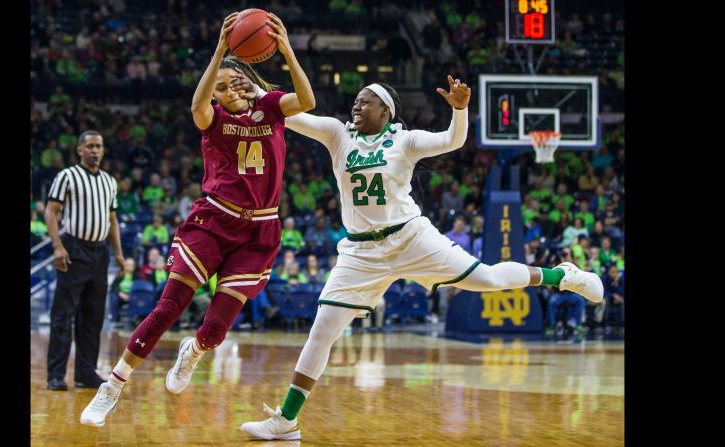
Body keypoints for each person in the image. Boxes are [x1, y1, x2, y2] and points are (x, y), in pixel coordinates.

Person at [234, 74, 604, 440]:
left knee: (488, 280)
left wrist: (460, 110)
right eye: (356, 101)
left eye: (366, 101)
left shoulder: (404, 140)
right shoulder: (337, 133)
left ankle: (562, 276)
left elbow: (452, 139)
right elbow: (288, 114)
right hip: (361, 251)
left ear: (386, 112)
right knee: (321, 332)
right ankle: (286, 420)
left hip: (410, 237)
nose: (356, 106)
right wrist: (254, 89)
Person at [80, 11, 315, 427]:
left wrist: (287, 51)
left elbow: (308, 101)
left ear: (248, 79)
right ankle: (112, 387)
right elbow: (197, 104)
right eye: (219, 88)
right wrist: (220, 52)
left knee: (214, 331)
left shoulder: (272, 108)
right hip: (213, 220)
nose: (227, 91)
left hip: (259, 231)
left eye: (232, 81)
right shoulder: (213, 120)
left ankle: (194, 352)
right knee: (168, 306)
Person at [45, 130, 125, 391]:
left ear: (103, 150)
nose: (94, 150)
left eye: (98, 146)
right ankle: (56, 375)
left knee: (93, 316)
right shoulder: (67, 176)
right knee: (63, 314)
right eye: (89, 146)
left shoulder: (109, 181)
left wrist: (119, 254)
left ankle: (86, 373)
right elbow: (51, 211)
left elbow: (112, 220)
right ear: (79, 150)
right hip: (73, 249)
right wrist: (57, 246)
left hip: (99, 252)